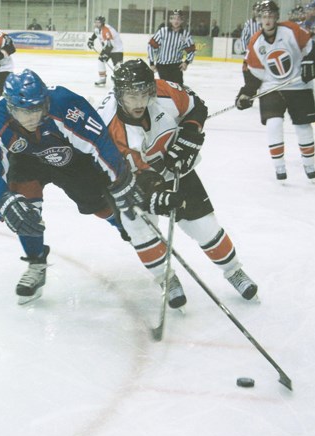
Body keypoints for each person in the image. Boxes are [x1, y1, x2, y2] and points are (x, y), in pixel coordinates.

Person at [0, 69, 145, 305]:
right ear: (11, 108)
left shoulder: (66, 104)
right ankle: (36, 263)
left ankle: (129, 229)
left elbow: (101, 142)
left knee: (99, 204)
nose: (33, 117)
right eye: (25, 111)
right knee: (23, 210)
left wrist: (120, 179)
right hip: (26, 161)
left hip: (73, 159)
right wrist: (2, 203)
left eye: (37, 108)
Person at [97, 59, 259, 307]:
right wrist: (154, 195)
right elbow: (119, 175)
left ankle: (234, 270)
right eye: (131, 96)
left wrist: (189, 136)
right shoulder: (108, 126)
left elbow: (196, 108)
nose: (140, 102)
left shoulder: (165, 92)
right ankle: (166, 278)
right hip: (131, 184)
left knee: (206, 228)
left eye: (144, 93)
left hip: (177, 171)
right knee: (142, 232)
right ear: (119, 94)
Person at [235, 0, 315, 181]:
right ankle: (279, 167)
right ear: (259, 19)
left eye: (270, 16)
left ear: (276, 17)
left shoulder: (291, 30)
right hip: (272, 88)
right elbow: (252, 74)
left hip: (299, 86)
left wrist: (310, 63)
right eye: (264, 16)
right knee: (273, 124)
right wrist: (245, 93)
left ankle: (309, 165)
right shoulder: (255, 42)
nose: (267, 20)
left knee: (303, 126)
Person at [147, 9, 196, 85]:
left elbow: (192, 50)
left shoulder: (185, 34)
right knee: (167, 88)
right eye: (174, 18)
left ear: (182, 21)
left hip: (176, 66)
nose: (176, 21)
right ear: (170, 20)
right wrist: (151, 63)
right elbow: (151, 46)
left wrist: (186, 62)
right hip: (162, 66)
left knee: (178, 88)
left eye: (178, 19)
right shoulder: (163, 31)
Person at [87, 16, 124, 87]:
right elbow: (96, 34)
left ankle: (121, 80)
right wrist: (91, 40)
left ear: (102, 23)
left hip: (117, 50)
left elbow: (111, 44)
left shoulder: (106, 30)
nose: (96, 24)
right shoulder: (98, 29)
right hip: (107, 47)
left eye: (98, 22)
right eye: (96, 22)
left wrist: (105, 54)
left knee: (118, 66)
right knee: (100, 60)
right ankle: (102, 79)